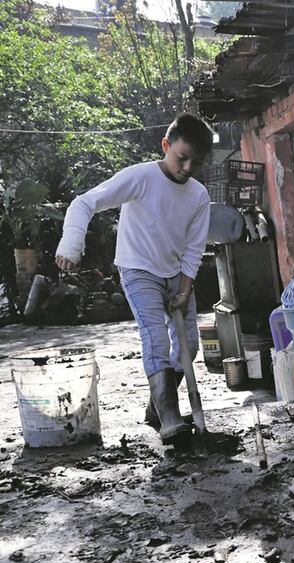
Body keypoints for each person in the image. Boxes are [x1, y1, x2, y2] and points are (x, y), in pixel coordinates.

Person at [55, 114, 213, 443]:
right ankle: (170, 417)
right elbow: (84, 203)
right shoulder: (140, 178)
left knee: (190, 348)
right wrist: (72, 245)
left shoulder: (198, 196)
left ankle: (156, 406)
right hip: (138, 271)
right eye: (181, 158)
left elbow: (195, 249)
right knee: (155, 338)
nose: (186, 169)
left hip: (177, 274)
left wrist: (184, 291)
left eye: (195, 163)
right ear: (166, 146)